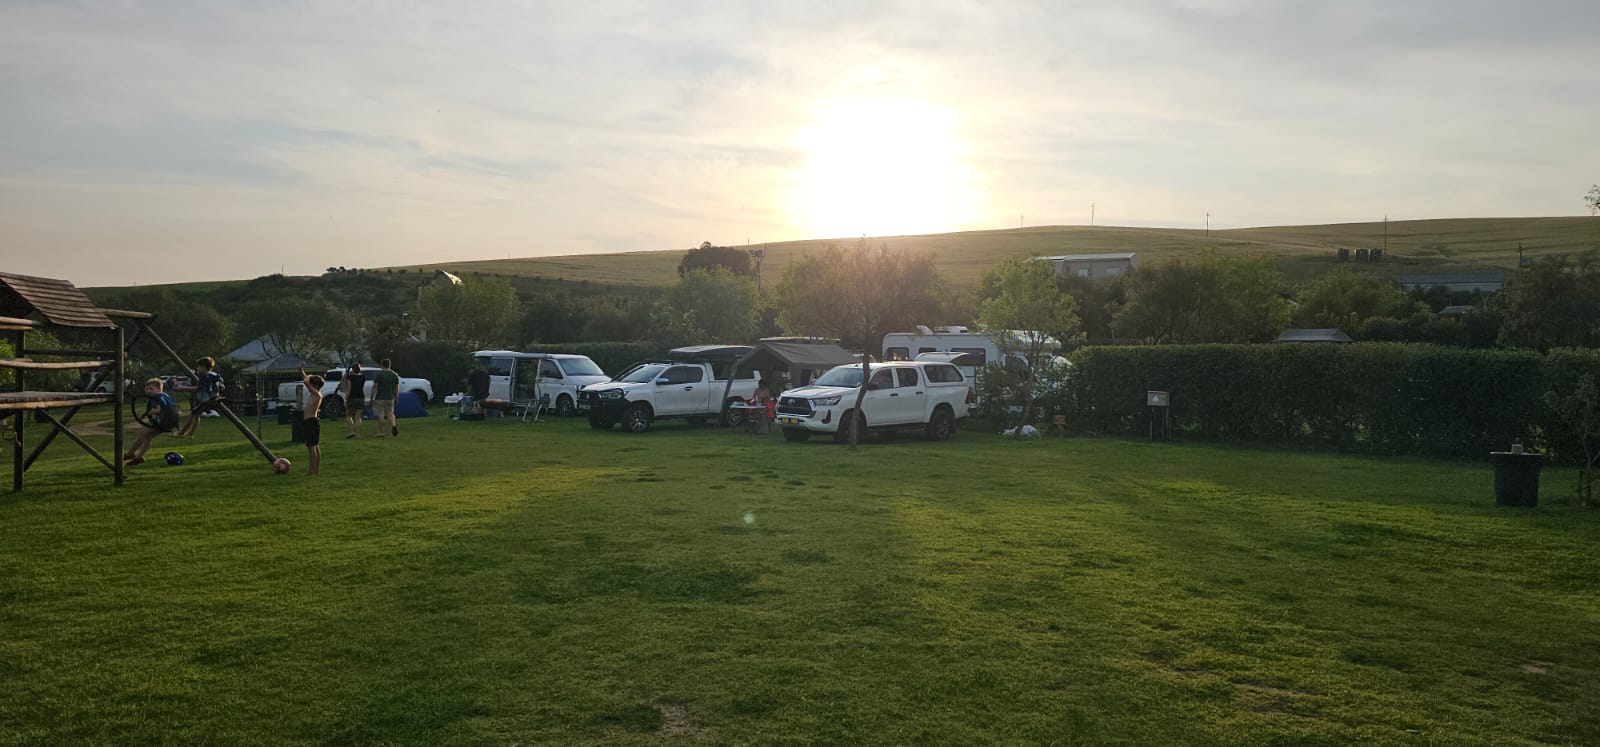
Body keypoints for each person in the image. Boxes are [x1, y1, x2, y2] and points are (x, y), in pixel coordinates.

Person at [124, 378, 180, 466]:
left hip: (162, 423)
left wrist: (145, 413)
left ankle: (138, 457)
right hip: (168, 422)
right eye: (146, 389)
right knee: (144, 434)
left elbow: (158, 410)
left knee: (146, 436)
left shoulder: (157, 397)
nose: (148, 391)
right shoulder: (164, 396)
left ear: (159, 389)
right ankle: (130, 454)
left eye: (151, 389)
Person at [174, 356, 224, 438]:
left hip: (206, 400)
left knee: (192, 414)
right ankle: (190, 434)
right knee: (196, 415)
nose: (197, 369)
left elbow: (198, 388)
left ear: (203, 367)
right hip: (214, 398)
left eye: (198, 367)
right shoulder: (214, 375)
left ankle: (181, 433)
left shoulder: (204, 376)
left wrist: (182, 388)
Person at [296, 365, 323, 475]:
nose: (309, 386)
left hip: (311, 422)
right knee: (313, 446)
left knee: (312, 448)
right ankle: (316, 470)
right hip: (309, 422)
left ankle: (312, 470)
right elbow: (306, 380)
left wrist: (308, 377)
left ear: (315, 386)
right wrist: (301, 371)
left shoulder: (317, 394)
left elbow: (306, 382)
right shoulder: (313, 393)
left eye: (312, 384)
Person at [371, 358, 401, 437]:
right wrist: (396, 397)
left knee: (381, 414)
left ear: (382, 365)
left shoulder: (379, 375)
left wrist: (372, 396)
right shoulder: (394, 375)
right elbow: (397, 388)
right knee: (390, 413)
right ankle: (393, 425)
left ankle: (382, 432)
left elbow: (375, 386)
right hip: (390, 397)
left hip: (380, 397)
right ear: (389, 365)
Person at [339, 362, 366, 438]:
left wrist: (345, 399)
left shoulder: (350, 378)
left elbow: (349, 389)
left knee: (348, 416)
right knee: (358, 417)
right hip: (361, 397)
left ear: (353, 369)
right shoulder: (363, 377)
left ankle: (351, 432)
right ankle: (357, 434)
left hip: (352, 398)